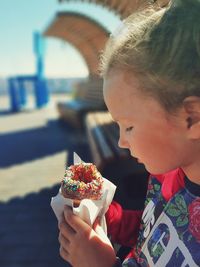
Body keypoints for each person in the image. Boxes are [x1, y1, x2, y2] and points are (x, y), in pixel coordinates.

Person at [58, 0, 200, 266]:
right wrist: (108, 218)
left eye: (129, 126)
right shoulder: (165, 176)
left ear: (191, 117)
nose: (122, 141)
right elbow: (151, 232)